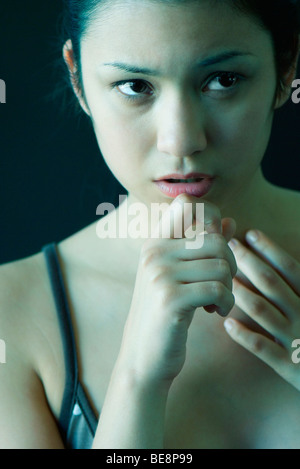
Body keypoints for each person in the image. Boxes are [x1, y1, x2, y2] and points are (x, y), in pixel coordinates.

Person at [0, 0, 300, 450]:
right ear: (78, 78)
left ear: (286, 67)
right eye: (135, 85)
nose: (181, 140)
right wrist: (138, 377)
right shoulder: (14, 314)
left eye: (223, 80)